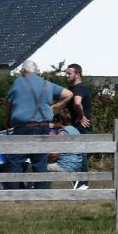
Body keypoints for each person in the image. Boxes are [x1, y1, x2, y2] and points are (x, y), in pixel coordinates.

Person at [5, 61, 73, 189]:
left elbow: (8, 103)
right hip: (43, 126)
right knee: (40, 161)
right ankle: (42, 192)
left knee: (16, 161)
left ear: (23, 71)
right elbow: (69, 94)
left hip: (23, 127)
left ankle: (12, 192)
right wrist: (54, 107)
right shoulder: (46, 84)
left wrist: (7, 121)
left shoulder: (18, 82)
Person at [61, 63, 92, 132]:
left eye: (69, 74)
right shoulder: (71, 89)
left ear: (77, 75)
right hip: (75, 126)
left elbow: (77, 103)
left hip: (82, 127)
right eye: (66, 73)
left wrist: (81, 117)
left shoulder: (80, 87)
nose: (66, 76)